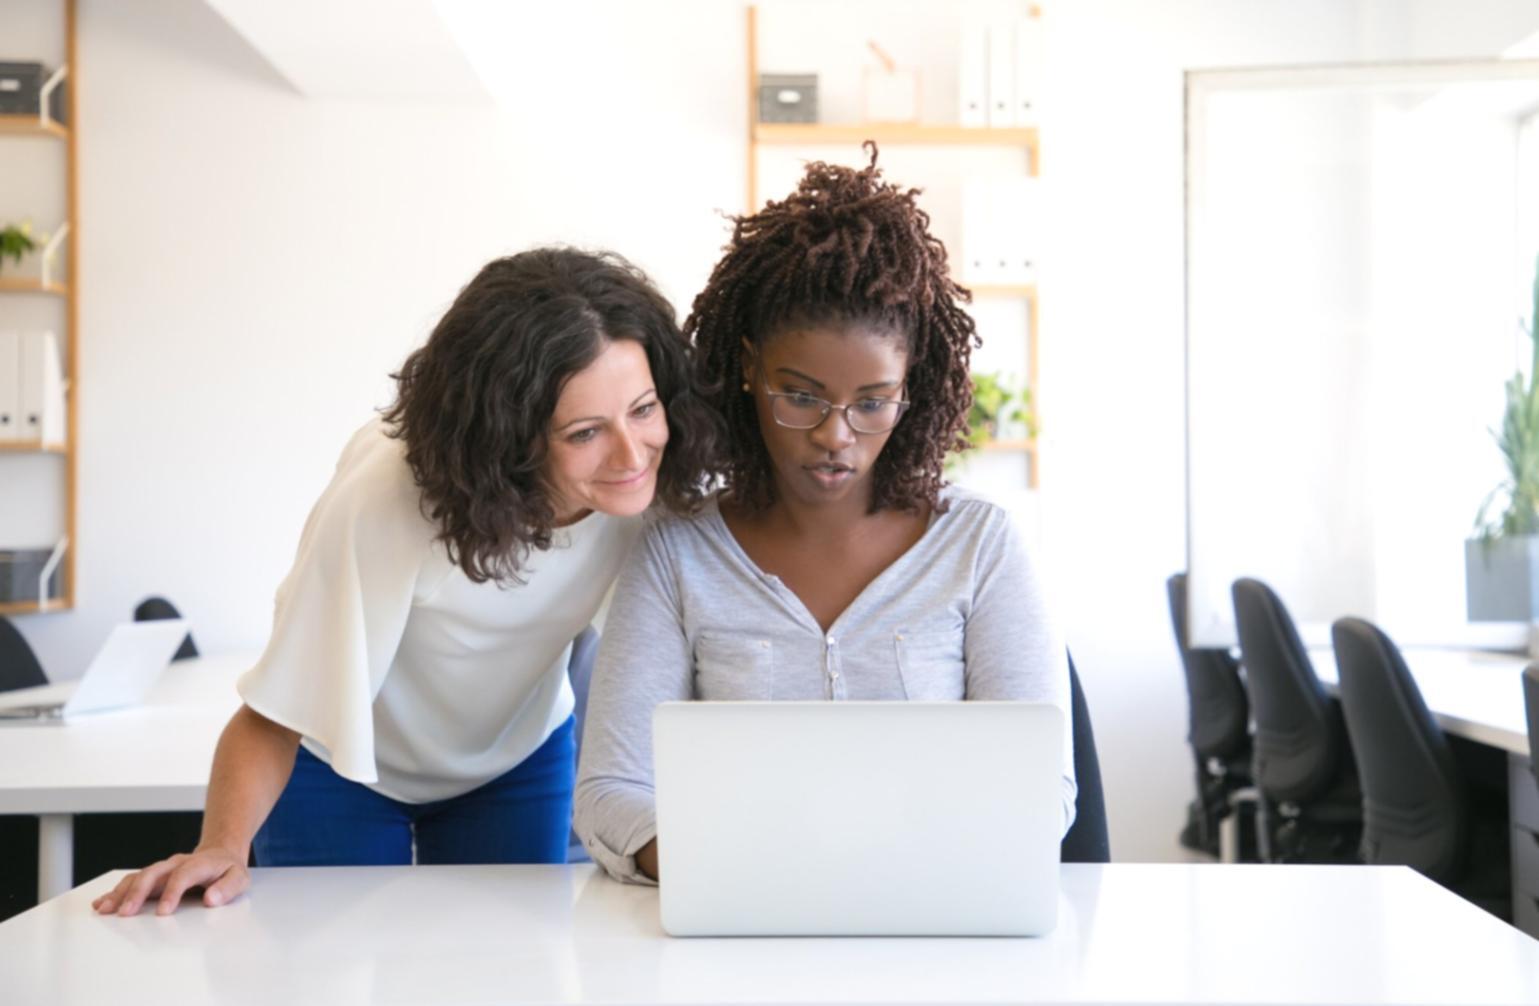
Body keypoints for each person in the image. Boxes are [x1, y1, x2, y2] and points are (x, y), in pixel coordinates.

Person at [94, 248, 717, 916]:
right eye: (585, 432)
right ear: (509, 437)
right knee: (318, 968)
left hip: (514, 762)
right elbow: (275, 711)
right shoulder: (388, 497)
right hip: (338, 768)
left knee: (508, 972)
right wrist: (221, 846)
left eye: (644, 409)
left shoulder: (655, 491)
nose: (630, 454)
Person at [572, 145, 1075, 884]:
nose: (835, 435)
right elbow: (611, 795)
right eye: (800, 396)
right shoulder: (678, 552)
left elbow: (1040, 791)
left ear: (912, 389)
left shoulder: (980, 546)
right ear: (748, 369)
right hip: (741, 918)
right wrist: (741, 867)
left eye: (872, 403)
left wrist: (888, 865)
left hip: (933, 922)